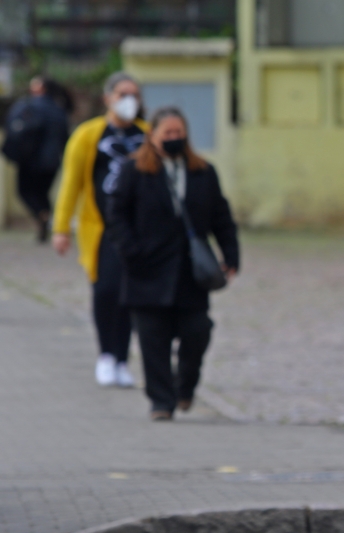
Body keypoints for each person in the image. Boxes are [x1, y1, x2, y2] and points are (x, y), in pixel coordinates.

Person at [106, 107, 239, 421]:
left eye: (179, 133)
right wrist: (131, 251)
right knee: (153, 338)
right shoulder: (133, 171)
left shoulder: (203, 172)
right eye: (168, 133)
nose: (174, 138)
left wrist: (230, 255)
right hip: (147, 269)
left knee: (198, 331)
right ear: (152, 136)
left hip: (189, 272)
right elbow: (117, 215)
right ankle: (161, 402)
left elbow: (221, 217)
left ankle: (185, 386)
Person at [51, 72, 148, 388]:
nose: (128, 100)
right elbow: (71, 184)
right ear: (108, 98)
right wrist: (61, 227)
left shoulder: (147, 135)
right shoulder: (88, 135)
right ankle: (106, 354)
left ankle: (122, 358)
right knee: (106, 289)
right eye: (122, 94)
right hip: (101, 226)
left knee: (130, 294)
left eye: (134, 94)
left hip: (139, 228)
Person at [1, 76, 70, 242]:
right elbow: (65, 138)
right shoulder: (58, 109)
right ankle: (44, 218)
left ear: (42, 88)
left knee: (25, 191)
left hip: (30, 161)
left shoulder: (28, 106)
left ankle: (42, 215)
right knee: (42, 193)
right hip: (52, 162)